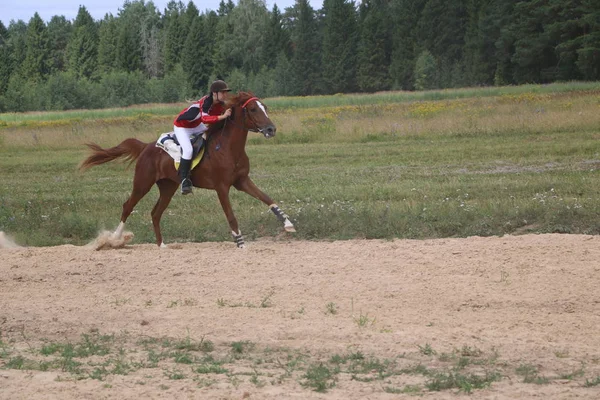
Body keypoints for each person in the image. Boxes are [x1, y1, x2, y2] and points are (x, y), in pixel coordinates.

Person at [173, 80, 233, 194]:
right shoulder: (207, 102)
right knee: (188, 150)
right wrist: (223, 116)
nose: (225, 95)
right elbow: (205, 119)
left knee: (211, 134)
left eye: (226, 92)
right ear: (214, 93)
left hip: (196, 125)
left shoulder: (220, 104)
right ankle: (184, 180)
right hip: (182, 127)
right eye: (223, 92)